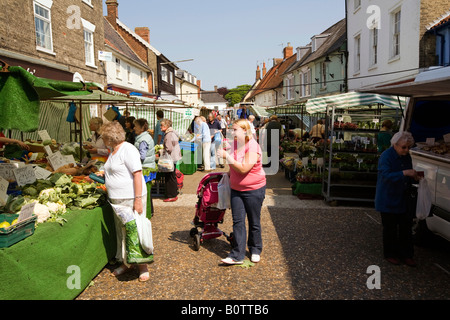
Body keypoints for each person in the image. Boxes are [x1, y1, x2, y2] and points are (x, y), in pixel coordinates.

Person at [101, 121, 152, 282]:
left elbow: (137, 174)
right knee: (122, 232)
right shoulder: (114, 151)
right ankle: (126, 262)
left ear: (110, 138)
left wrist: (137, 200)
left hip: (131, 198)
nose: (103, 140)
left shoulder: (128, 149)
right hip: (117, 200)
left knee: (136, 230)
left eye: (104, 137)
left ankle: (143, 266)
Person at [217, 119, 266, 265]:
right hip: (237, 189)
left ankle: (255, 249)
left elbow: (244, 168)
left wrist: (228, 157)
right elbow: (234, 166)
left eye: (235, 129)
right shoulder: (236, 144)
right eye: (232, 129)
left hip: (254, 189)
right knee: (238, 221)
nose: (232, 132)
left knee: (253, 220)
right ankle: (237, 255)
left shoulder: (253, 147)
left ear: (245, 130)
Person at [375, 131, 420, 267]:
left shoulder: (406, 157)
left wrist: (414, 176)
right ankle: (390, 253)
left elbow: (408, 171)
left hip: (402, 196)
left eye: (408, 147)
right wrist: (404, 173)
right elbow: (386, 175)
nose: (406, 150)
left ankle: (406, 254)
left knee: (406, 227)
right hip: (388, 197)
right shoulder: (386, 156)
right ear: (395, 145)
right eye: (403, 147)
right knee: (390, 228)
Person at [134, 118, 156, 217]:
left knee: (144, 193)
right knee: (147, 193)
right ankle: (149, 212)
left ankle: (146, 214)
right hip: (148, 166)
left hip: (145, 168)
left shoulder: (143, 139)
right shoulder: (144, 137)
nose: (134, 128)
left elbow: (142, 156)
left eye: (136, 126)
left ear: (142, 128)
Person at [160, 119, 182, 202]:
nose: (160, 127)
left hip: (171, 158)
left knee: (169, 177)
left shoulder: (168, 134)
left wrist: (161, 151)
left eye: (161, 125)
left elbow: (168, 148)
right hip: (175, 157)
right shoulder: (172, 133)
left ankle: (171, 195)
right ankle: (173, 193)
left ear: (166, 126)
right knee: (172, 176)